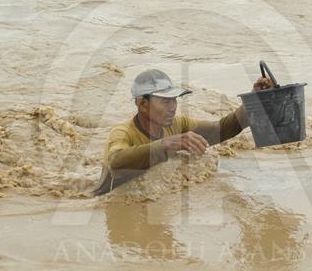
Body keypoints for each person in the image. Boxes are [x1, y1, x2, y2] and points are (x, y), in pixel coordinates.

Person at [92, 69, 273, 195]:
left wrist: (254, 100)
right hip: (109, 197)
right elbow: (115, 161)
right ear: (142, 104)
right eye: (165, 101)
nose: (173, 107)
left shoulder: (178, 124)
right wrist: (165, 144)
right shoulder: (123, 132)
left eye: (174, 100)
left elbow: (221, 129)